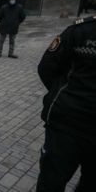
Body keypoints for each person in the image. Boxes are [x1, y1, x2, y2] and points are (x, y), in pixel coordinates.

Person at [35, 15, 96, 192]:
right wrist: (64, 96)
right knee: (52, 182)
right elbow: (47, 67)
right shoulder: (81, 31)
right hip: (67, 125)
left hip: (69, 120)